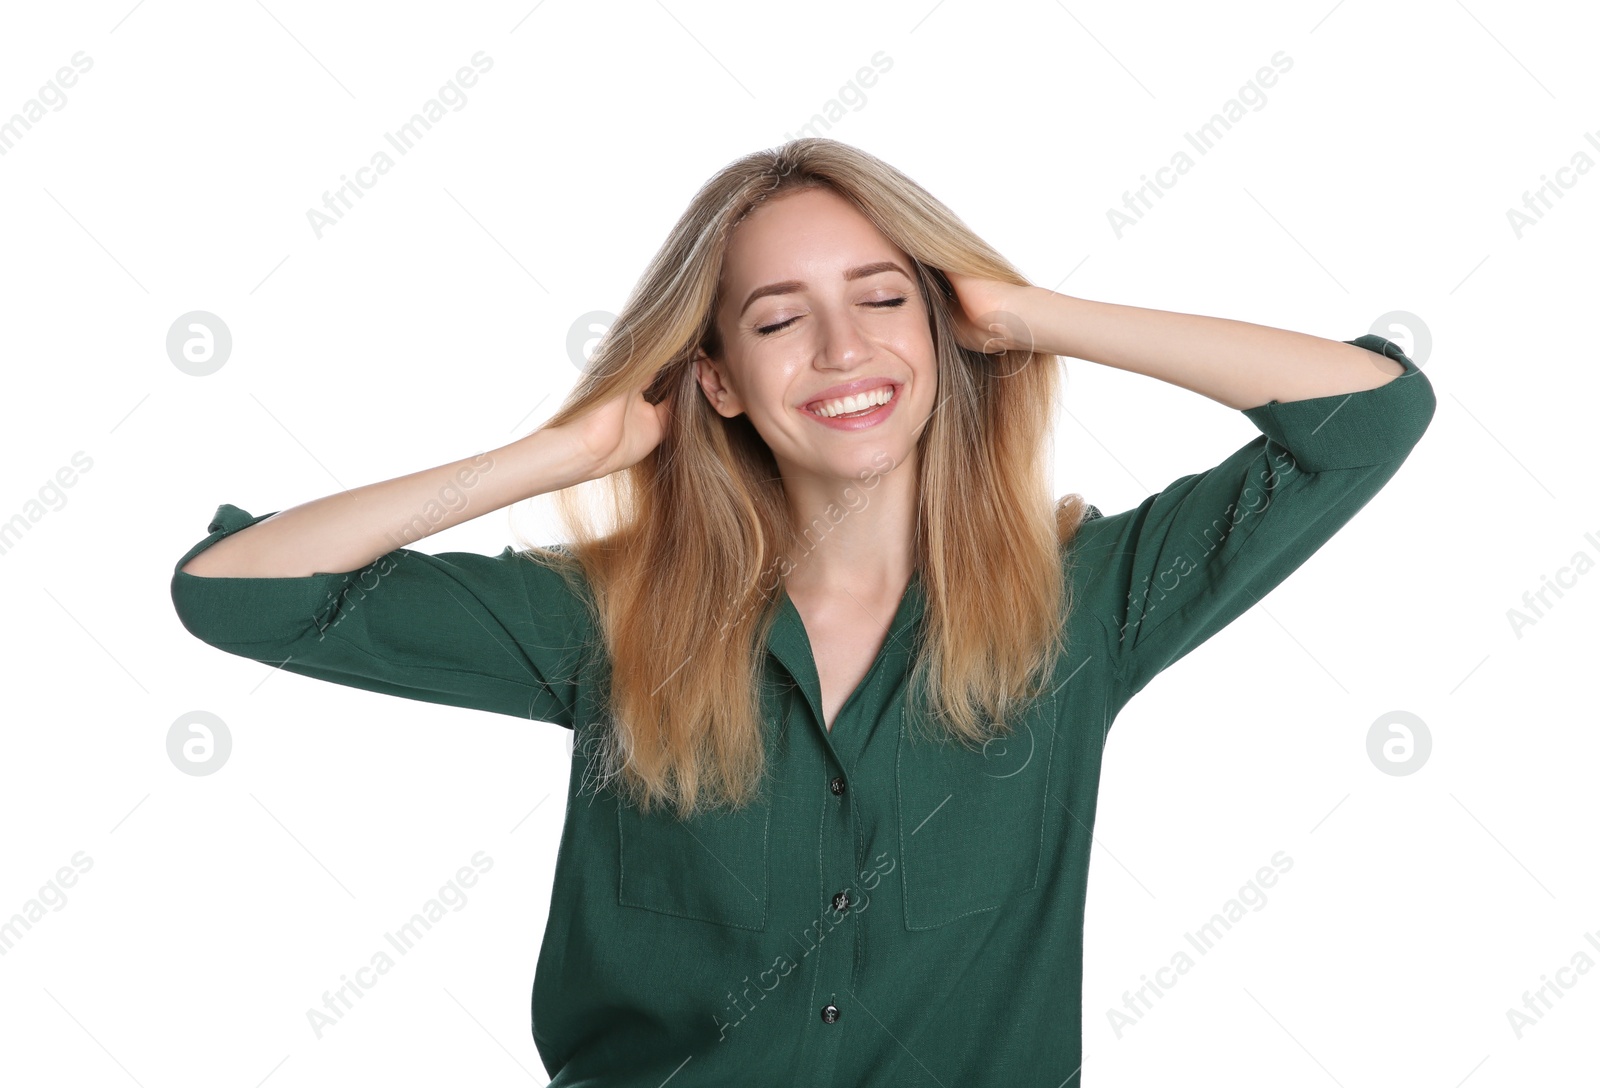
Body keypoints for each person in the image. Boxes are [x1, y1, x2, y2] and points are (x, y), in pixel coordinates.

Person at [171, 137, 1436, 1085]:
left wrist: (1017, 312)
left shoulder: (1084, 608)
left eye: (884, 299)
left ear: (944, 339)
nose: (841, 347)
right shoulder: (608, 623)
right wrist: (564, 451)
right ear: (715, 379)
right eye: (779, 318)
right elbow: (237, 595)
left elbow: (1368, 414)